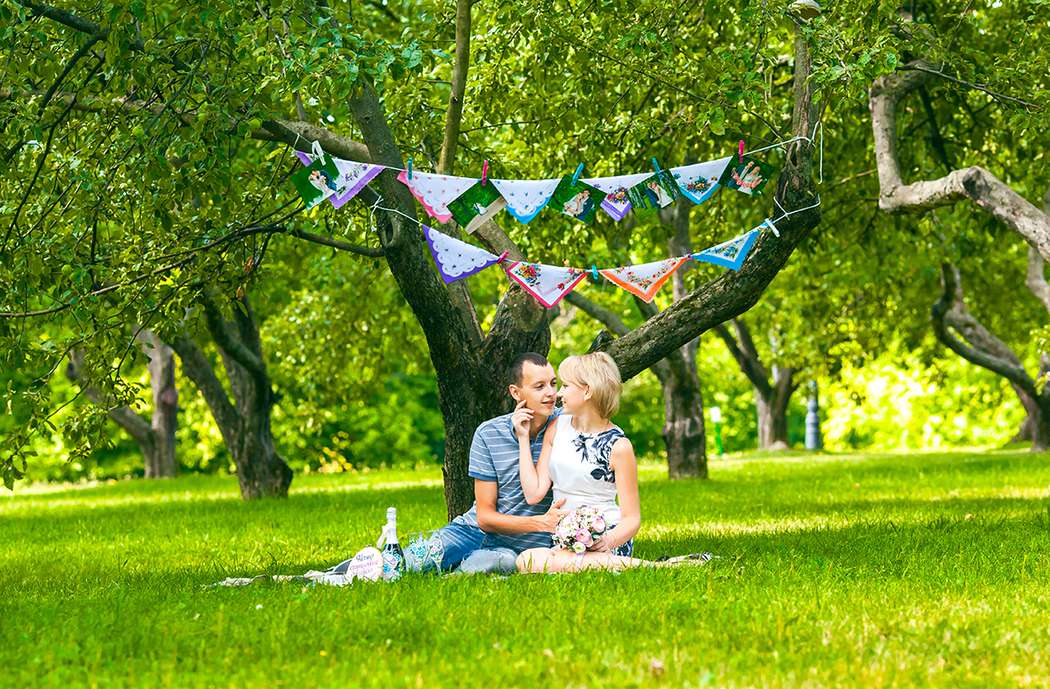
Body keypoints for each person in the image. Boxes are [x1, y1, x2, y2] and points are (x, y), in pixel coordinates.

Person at [514, 352, 702, 573]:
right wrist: (523, 438)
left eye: (565, 385)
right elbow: (533, 494)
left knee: (538, 562)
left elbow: (632, 519)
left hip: (606, 536)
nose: (559, 393)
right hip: (566, 539)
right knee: (527, 559)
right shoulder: (557, 428)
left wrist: (607, 541)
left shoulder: (619, 446)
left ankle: (646, 567)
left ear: (587, 391)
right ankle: (651, 566)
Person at [404, 352, 568, 575]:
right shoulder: (489, 433)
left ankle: (464, 570)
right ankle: (356, 569)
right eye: (539, 386)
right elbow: (485, 517)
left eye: (553, 383)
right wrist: (542, 523)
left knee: (499, 562)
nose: (550, 393)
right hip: (473, 532)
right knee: (408, 563)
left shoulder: (568, 426)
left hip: (522, 548)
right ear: (516, 392)